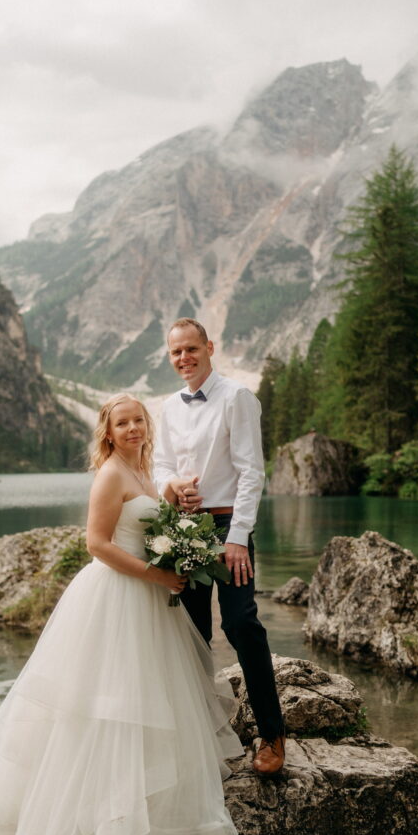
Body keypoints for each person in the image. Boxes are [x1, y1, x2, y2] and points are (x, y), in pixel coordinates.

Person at [0, 393, 242, 835]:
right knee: (106, 705)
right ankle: (94, 817)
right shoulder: (110, 474)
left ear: (148, 425)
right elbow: (97, 544)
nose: (132, 429)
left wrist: (173, 507)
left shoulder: (143, 472)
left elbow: (145, 518)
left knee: (147, 699)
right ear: (107, 432)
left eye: (138, 421)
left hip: (147, 599)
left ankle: (146, 803)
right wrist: (158, 575)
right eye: (122, 423)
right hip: (118, 596)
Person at [154, 318, 285, 775]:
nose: (184, 358)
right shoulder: (169, 406)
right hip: (186, 525)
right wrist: (173, 484)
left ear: (210, 347)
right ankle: (201, 734)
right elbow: (161, 464)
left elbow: (252, 472)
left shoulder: (237, 398)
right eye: (176, 353)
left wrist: (236, 539)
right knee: (191, 632)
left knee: (241, 623)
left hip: (229, 525)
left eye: (192, 349)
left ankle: (272, 735)